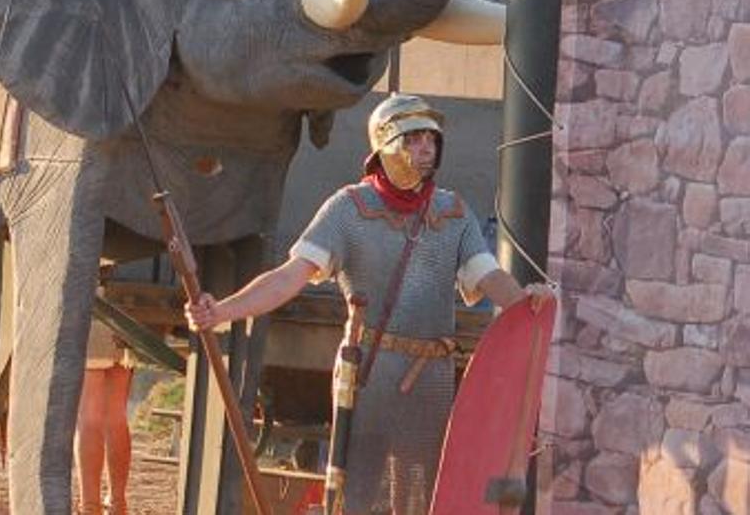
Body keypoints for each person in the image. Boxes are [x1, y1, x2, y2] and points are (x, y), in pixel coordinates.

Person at [186, 93, 553, 515]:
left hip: (428, 375)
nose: (426, 150)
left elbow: (490, 277)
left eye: (431, 141)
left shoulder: (451, 213)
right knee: (357, 495)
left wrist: (527, 305)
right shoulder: (349, 209)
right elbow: (288, 278)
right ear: (386, 145)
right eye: (413, 140)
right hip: (369, 374)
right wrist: (224, 310)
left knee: (420, 499)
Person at [75, 309, 134, 515]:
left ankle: (90, 506)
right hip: (127, 315)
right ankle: (117, 503)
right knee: (116, 415)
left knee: (89, 416)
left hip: (94, 308)